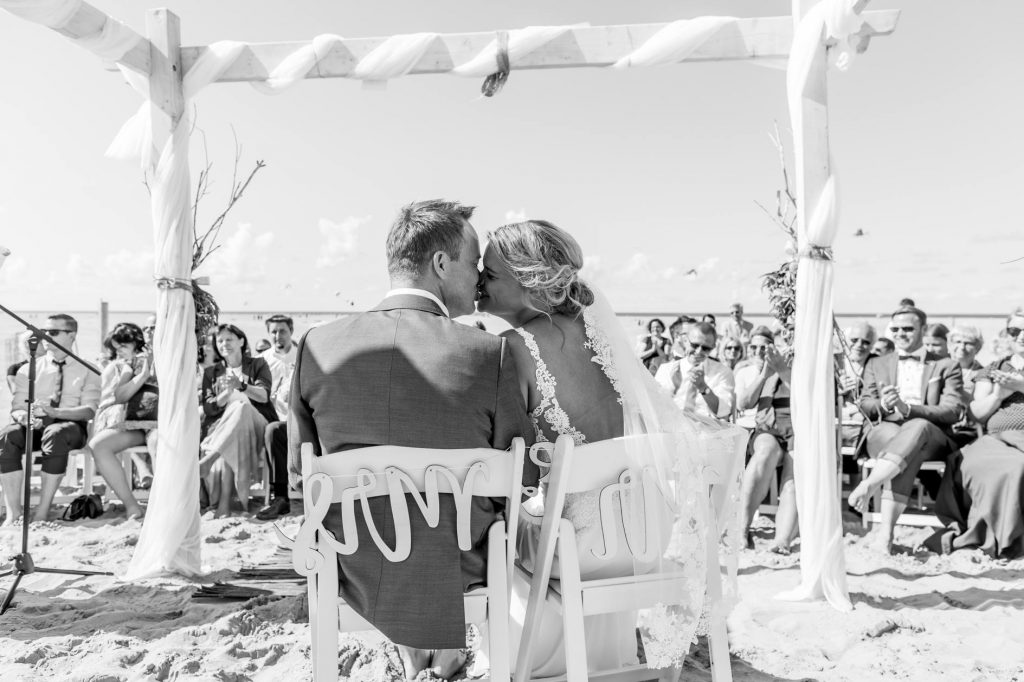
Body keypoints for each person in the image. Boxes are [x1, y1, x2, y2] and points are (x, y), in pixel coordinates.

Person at [479, 219, 745, 676]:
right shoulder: (601, 338)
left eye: (490, 274)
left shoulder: (509, 349)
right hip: (644, 538)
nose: (479, 282)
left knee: (491, 527)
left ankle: (529, 661)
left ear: (530, 285)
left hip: (577, 551)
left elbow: (514, 464)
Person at [289, 199, 535, 680]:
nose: (479, 279)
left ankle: (410, 641)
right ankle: (443, 645)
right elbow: (521, 476)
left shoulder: (316, 345)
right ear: (441, 264)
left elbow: (304, 470)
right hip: (459, 564)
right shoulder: (491, 354)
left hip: (351, 563)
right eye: (474, 263)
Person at [848, 306, 964, 553]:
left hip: (930, 434)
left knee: (916, 427)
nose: (900, 333)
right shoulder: (876, 363)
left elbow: (951, 410)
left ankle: (871, 485)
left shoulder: (946, 365)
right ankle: (886, 535)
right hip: (885, 431)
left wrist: (908, 408)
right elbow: (866, 404)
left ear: (923, 329)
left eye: (908, 328)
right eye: (896, 329)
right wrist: (884, 404)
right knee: (907, 448)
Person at [930, 310, 1024, 558]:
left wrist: (1020, 385)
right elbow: (978, 413)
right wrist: (998, 395)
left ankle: (1007, 539)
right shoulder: (994, 369)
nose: (1022, 336)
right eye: (1015, 330)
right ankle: (982, 533)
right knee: (968, 463)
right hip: (996, 439)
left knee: (1016, 468)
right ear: (1008, 334)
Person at [0, 314, 101, 524]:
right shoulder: (28, 369)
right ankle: (14, 513)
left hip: (71, 428)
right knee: (7, 436)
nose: (46, 336)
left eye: (53, 332)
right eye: (43, 331)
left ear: (72, 335)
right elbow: (17, 408)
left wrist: (56, 413)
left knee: (54, 434)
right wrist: (25, 418)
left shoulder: (88, 369)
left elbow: (89, 411)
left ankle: (42, 511)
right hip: (35, 426)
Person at [200, 324, 278, 517]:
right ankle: (225, 503)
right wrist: (226, 393)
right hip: (227, 431)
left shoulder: (258, 364)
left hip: (258, 426)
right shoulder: (212, 372)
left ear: (241, 341)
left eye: (229, 339)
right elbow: (209, 408)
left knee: (241, 407)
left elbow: (263, 396)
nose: (224, 344)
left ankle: (209, 459)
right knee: (233, 434)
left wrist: (241, 386)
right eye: (220, 340)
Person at [735, 325, 799, 553]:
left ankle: (782, 539)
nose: (760, 351)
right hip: (767, 426)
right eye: (754, 347)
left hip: (797, 426)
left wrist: (782, 371)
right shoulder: (752, 370)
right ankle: (742, 528)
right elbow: (743, 404)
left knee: (793, 476)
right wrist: (765, 373)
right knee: (764, 453)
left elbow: (806, 398)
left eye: (765, 347)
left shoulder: (795, 365)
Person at [88, 323, 154, 520]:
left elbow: (120, 396)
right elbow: (117, 396)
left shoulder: (149, 361)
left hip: (151, 421)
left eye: (123, 346)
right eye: (116, 348)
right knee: (98, 446)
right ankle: (131, 505)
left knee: (158, 442)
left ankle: (158, 501)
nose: (119, 351)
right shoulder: (120, 365)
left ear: (136, 342)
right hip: (128, 423)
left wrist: (144, 370)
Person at [256, 314, 298, 521]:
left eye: (282, 331)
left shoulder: (302, 356)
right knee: (272, 430)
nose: (277, 335)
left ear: (291, 331)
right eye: (273, 331)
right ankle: (279, 497)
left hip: (297, 418)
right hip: (271, 416)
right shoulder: (262, 361)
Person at [654, 321, 735, 420]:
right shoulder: (666, 370)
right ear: (686, 341)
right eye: (695, 345)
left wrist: (703, 388)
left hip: (706, 432)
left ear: (713, 347)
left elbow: (723, 412)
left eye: (705, 348)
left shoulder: (722, 372)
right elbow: (654, 404)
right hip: (670, 430)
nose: (698, 351)